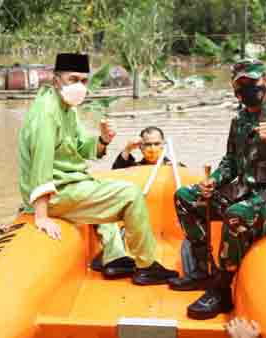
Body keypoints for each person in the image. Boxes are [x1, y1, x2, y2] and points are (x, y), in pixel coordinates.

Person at [169, 60, 266, 320]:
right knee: (186, 198)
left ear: (265, 81)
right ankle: (203, 270)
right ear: (235, 88)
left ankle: (222, 289)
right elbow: (231, 161)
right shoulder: (240, 119)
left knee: (237, 215)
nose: (248, 89)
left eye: (252, 83)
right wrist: (213, 180)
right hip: (249, 189)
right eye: (242, 85)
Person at [17, 53, 177, 285]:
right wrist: (41, 215)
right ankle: (147, 265)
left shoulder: (66, 108)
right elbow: (40, 162)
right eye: (73, 79)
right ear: (56, 80)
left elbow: (81, 148)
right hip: (56, 193)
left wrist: (103, 139)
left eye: (83, 81)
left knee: (103, 188)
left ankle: (114, 257)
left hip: (70, 182)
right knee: (130, 196)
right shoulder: (46, 113)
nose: (79, 86)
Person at [112, 126, 184, 169]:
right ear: (141, 147)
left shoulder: (175, 168)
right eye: (148, 144)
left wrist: (178, 168)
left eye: (156, 144)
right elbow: (115, 173)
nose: (152, 148)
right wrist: (127, 149)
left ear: (163, 145)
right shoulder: (135, 168)